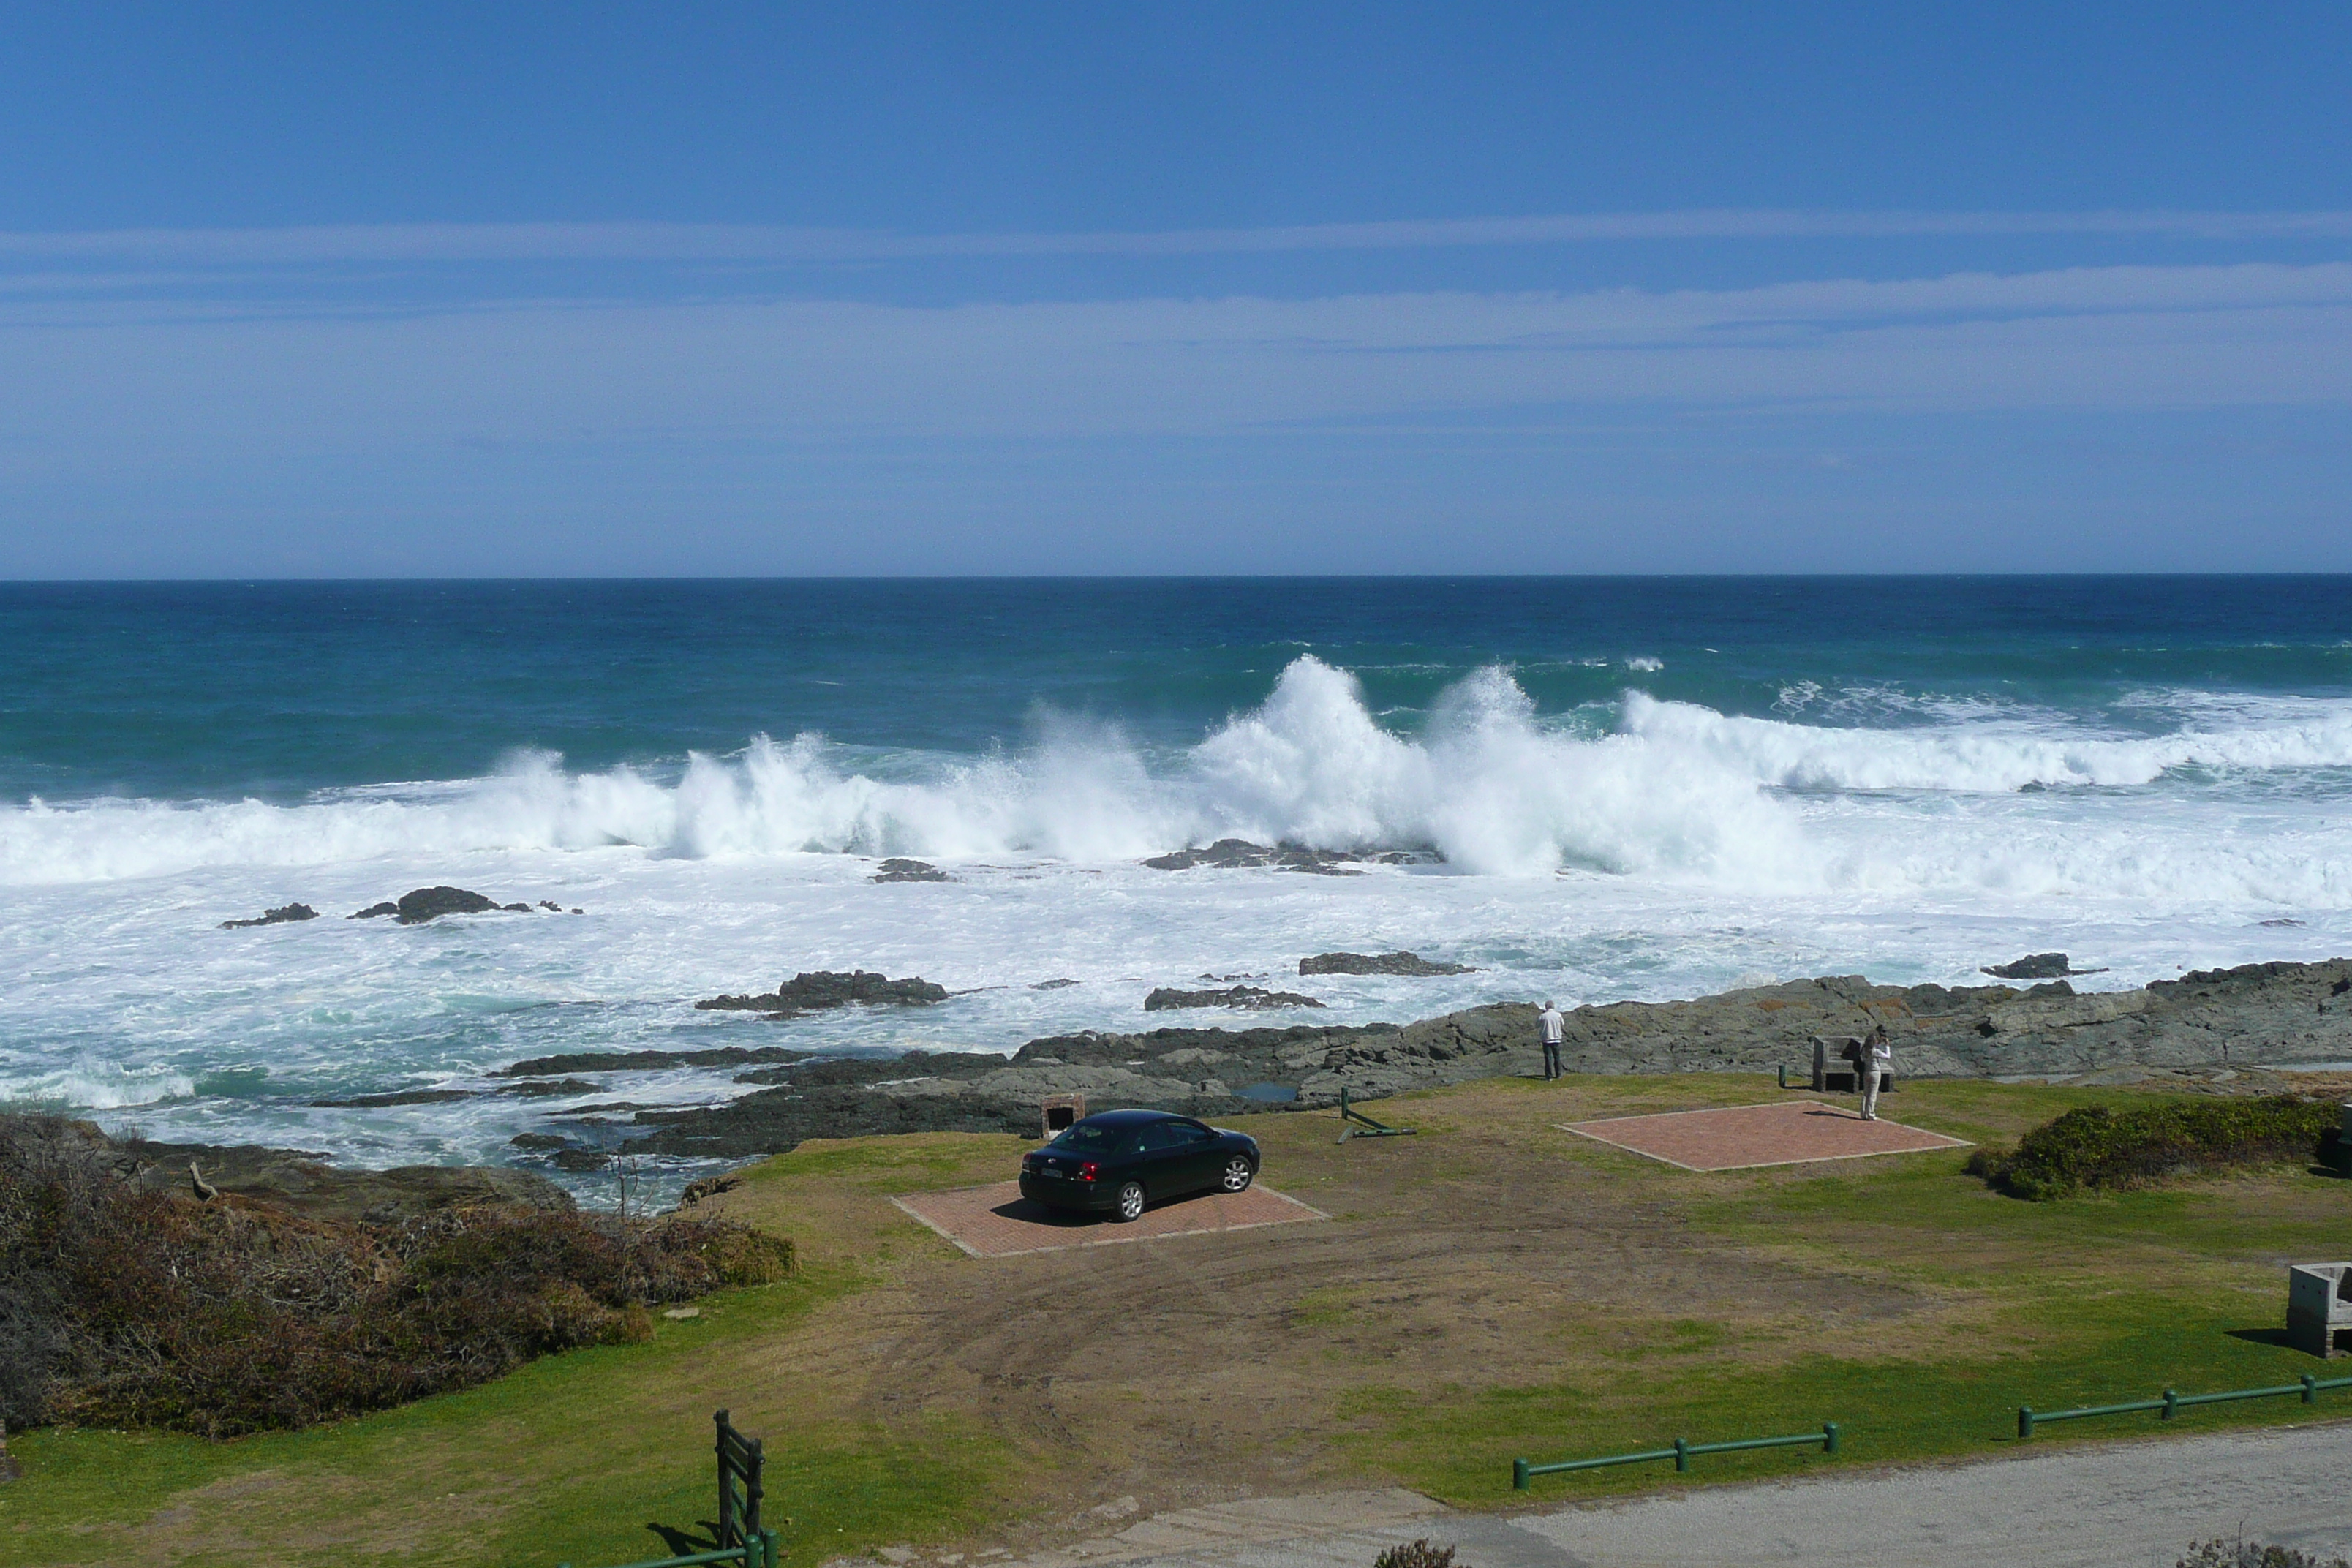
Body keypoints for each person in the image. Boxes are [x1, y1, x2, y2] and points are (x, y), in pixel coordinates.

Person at [1858, 1023, 1891, 1119]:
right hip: (1875, 1072)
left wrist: (1879, 1042)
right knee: (1873, 1094)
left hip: (1866, 1072)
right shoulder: (1875, 1051)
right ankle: (1871, 1113)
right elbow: (1887, 1056)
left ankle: (1863, 1113)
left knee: (1866, 1093)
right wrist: (1887, 1046)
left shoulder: (1865, 1050)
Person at [1538, 999, 1565, 1081]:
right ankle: (1558, 1074)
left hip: (1547, 1039)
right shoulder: (1558, 1015)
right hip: (1557, 1038)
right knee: (1557, 1057)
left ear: (1546, 1007)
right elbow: (1562, 1024)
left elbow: (1537, 1024)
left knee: (1548, 1058)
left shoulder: (1543, 1016)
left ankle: (1549, 1076)